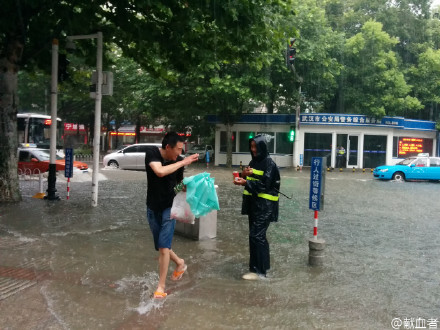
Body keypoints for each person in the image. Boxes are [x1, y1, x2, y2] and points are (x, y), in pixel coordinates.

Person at [145, 132, 199, 298]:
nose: (179, 153)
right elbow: (160, 172)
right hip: (152, 206)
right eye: (177, 149)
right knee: (161, 246)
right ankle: (180, 263)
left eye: (181, 150)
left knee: (163, 246)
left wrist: (189, 186)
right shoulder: (153, 154)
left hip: (170, 207)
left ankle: (160, 287)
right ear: (167, 147)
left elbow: (176, 186)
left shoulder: (179, 161)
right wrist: (183, 161)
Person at [233, 134, 280, 280]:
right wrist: (243, 175)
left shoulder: (270, 164)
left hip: (265, 207)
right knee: (257, 237)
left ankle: (260, 272)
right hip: (254, 205)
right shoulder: (253, 162)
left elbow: (263, 185)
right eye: (251, 146)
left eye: (255, 146)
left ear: (262, 147)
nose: (253, 149)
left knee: (256, 236)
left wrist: (245, 182)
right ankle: (259, 268)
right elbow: (247, 179)